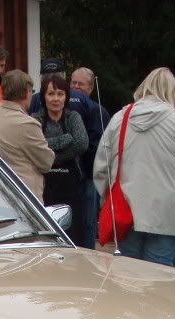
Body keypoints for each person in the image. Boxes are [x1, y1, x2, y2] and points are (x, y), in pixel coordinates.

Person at [93, 67, 175, 266]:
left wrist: (107, 199)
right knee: (159, 275)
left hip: (126, 209)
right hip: (168, 212)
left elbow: (101, 167)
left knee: (128, 273)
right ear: (172, 91)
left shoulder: (120, 119)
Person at [31, 74, 88, 244]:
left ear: (66, 97)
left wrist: (48, 154)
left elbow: (81, 144)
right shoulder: (36, 120)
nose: (56, 99)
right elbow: (35, 147)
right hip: (44, 190)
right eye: (51, 94)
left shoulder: (73, 117)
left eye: (60, 94)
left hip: (72, 191)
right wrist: (65, 139)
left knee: (74, 239)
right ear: (43, 97)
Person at [0, 70, 54, 199]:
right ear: (27, 92)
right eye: (31, 91)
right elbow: (47, 162)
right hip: (23, 197)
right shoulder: (28, 124)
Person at [70, 66, 111, 248]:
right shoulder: (61, 108)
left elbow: (100, 148)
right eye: (73, 83)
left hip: (88, 176)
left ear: (91, 87)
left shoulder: (99, 111)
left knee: (88, 221)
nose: (76, 87)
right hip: (66, 177)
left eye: (81, 84)